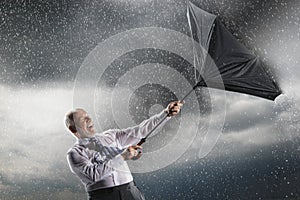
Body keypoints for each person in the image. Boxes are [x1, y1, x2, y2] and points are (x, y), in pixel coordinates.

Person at [65, 101, 183, 200]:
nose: (89, 119)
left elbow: (141, 130)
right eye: (82, 118)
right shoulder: (74, 153)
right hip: (103, 196)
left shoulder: (111, 135)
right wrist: (122, 157)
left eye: (88, 115)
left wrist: (166, 114)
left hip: (130, 191)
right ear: (73, 129)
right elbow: (93, 175)